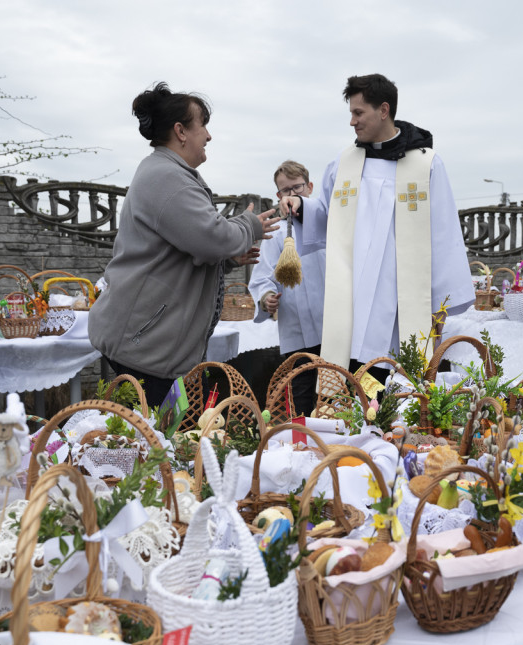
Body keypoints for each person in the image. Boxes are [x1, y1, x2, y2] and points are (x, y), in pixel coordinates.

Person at [89, 82, 278, 408]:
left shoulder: (167, 172)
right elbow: (212, 237)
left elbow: (186, 249)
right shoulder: (167, 178)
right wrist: (249, 225)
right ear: (180, 131)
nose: (208, 135)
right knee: (157, 443)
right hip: (144, 345)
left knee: (166, 439)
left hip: (152, 344)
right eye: (202, 124)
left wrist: (227, 258)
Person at [279, 74, 475, 374]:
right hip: (351, 300)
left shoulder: (426, 165)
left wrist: (440, 306)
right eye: (351, 114)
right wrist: (302, 207)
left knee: (397, 385)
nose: (352, 122)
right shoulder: (343, 164)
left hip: (400, 305)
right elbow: (328, 216)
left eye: (358, 113)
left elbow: (444, 237)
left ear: (383, 110)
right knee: (348, 379)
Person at [248, 160, 325, 415]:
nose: (291, 195)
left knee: (334, 398)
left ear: (310, 187)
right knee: (301, 401)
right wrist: (266, 298)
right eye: (285, 190)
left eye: (297, 188)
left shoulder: (328, 226)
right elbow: (262, 278)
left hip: (332, 330)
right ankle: (302, 445)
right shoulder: (277, 233)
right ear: (278, 195)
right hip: (297, 332)